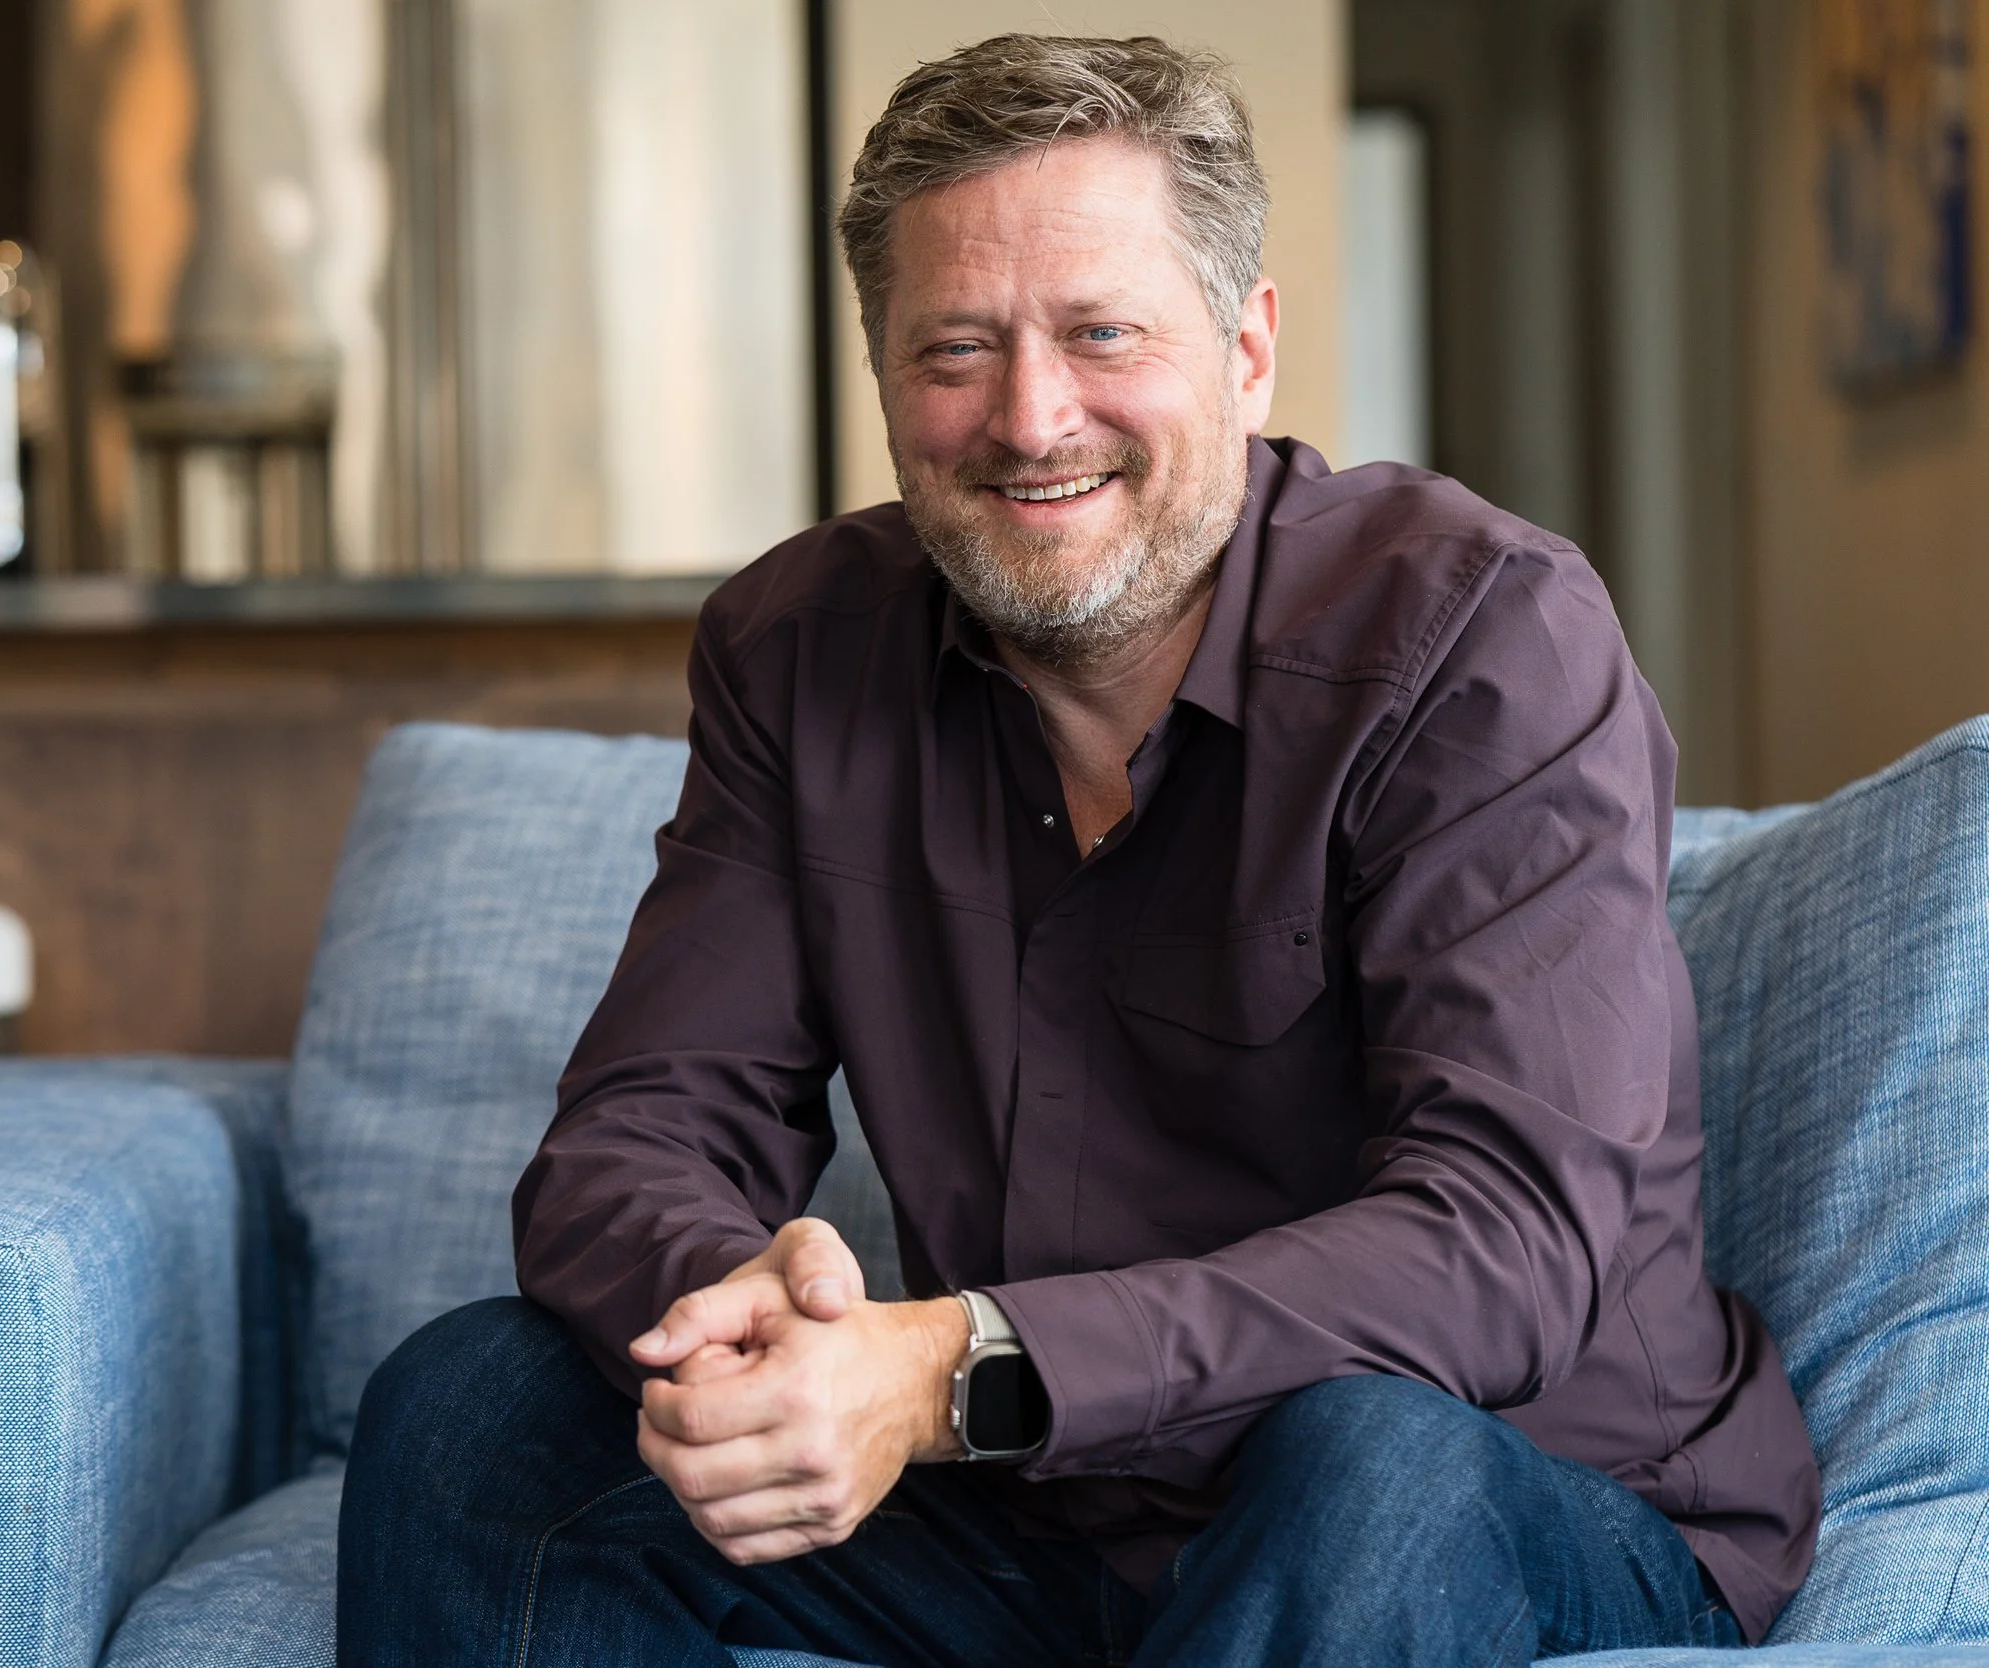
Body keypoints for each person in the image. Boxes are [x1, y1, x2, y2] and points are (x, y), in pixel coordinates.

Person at [338, 32, 1818, 1667]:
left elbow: (1506, 1244)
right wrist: (763, 1327)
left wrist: (951, 1364)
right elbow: (634, 1133)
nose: (1031, 419)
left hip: (1521, 1488)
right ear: (886, 377)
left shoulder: (1483, 637)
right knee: (476, 1407)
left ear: (1248, 350)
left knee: (1364, 1461)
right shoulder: (798, 648)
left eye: (1102, 332)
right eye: (955, 349)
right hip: (1032, 1519)